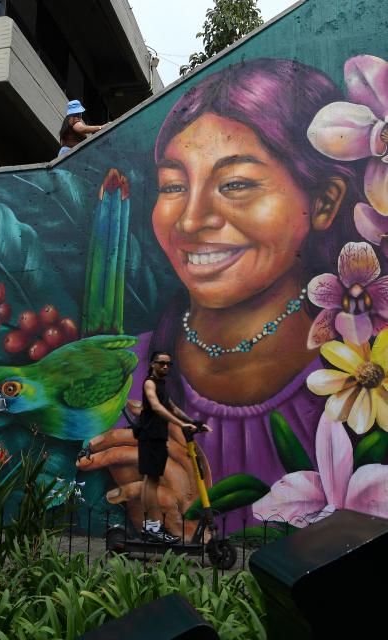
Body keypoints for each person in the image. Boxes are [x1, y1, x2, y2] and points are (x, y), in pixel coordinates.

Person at [78, 58, 370, 535]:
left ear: (324, 201)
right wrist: (162, 523)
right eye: (173, 185)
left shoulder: (364, 379)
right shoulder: (118, 376)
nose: (190, 221)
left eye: (235, 184)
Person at [137, 350, 208, 542]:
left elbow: (172, 407)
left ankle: (150, 526)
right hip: (150, 437)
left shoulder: (162, 385)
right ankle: (152, 527)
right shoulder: (149, 383)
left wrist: (194, 422)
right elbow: (157, 407)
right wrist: (181, 424)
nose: (165, 367)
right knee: (152, 481)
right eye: (161, 363)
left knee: (151, 480)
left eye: (169, 364)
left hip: (158, 437)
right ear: (152, 364)